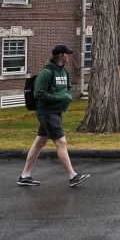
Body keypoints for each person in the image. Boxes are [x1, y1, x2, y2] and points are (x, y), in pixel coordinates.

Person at [17, 45, 89, 188]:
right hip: (47, 112)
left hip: (56, 112)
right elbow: (39, 94)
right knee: (61, 142)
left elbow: (68, 88)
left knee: (40, 142)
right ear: (60, 55)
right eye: (67, 54)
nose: (69, 56)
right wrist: (60, 98)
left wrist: (67, 95)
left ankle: (24, 176)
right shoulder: (47, 72)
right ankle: (72, 176)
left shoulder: (64, 72)